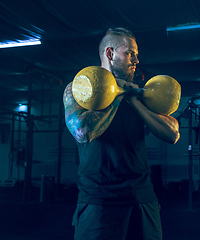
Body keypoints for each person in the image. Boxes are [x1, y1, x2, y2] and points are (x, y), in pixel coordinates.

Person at [63, 27, 180, 240]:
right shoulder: (80, 88)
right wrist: (116, 93)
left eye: (135, 53)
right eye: (129, 53)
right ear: (109, 54)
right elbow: (81, 131)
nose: (136, 59)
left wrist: (134, 100)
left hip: (142, 198)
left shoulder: (137, 95)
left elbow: (172, 133)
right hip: (99, 200)